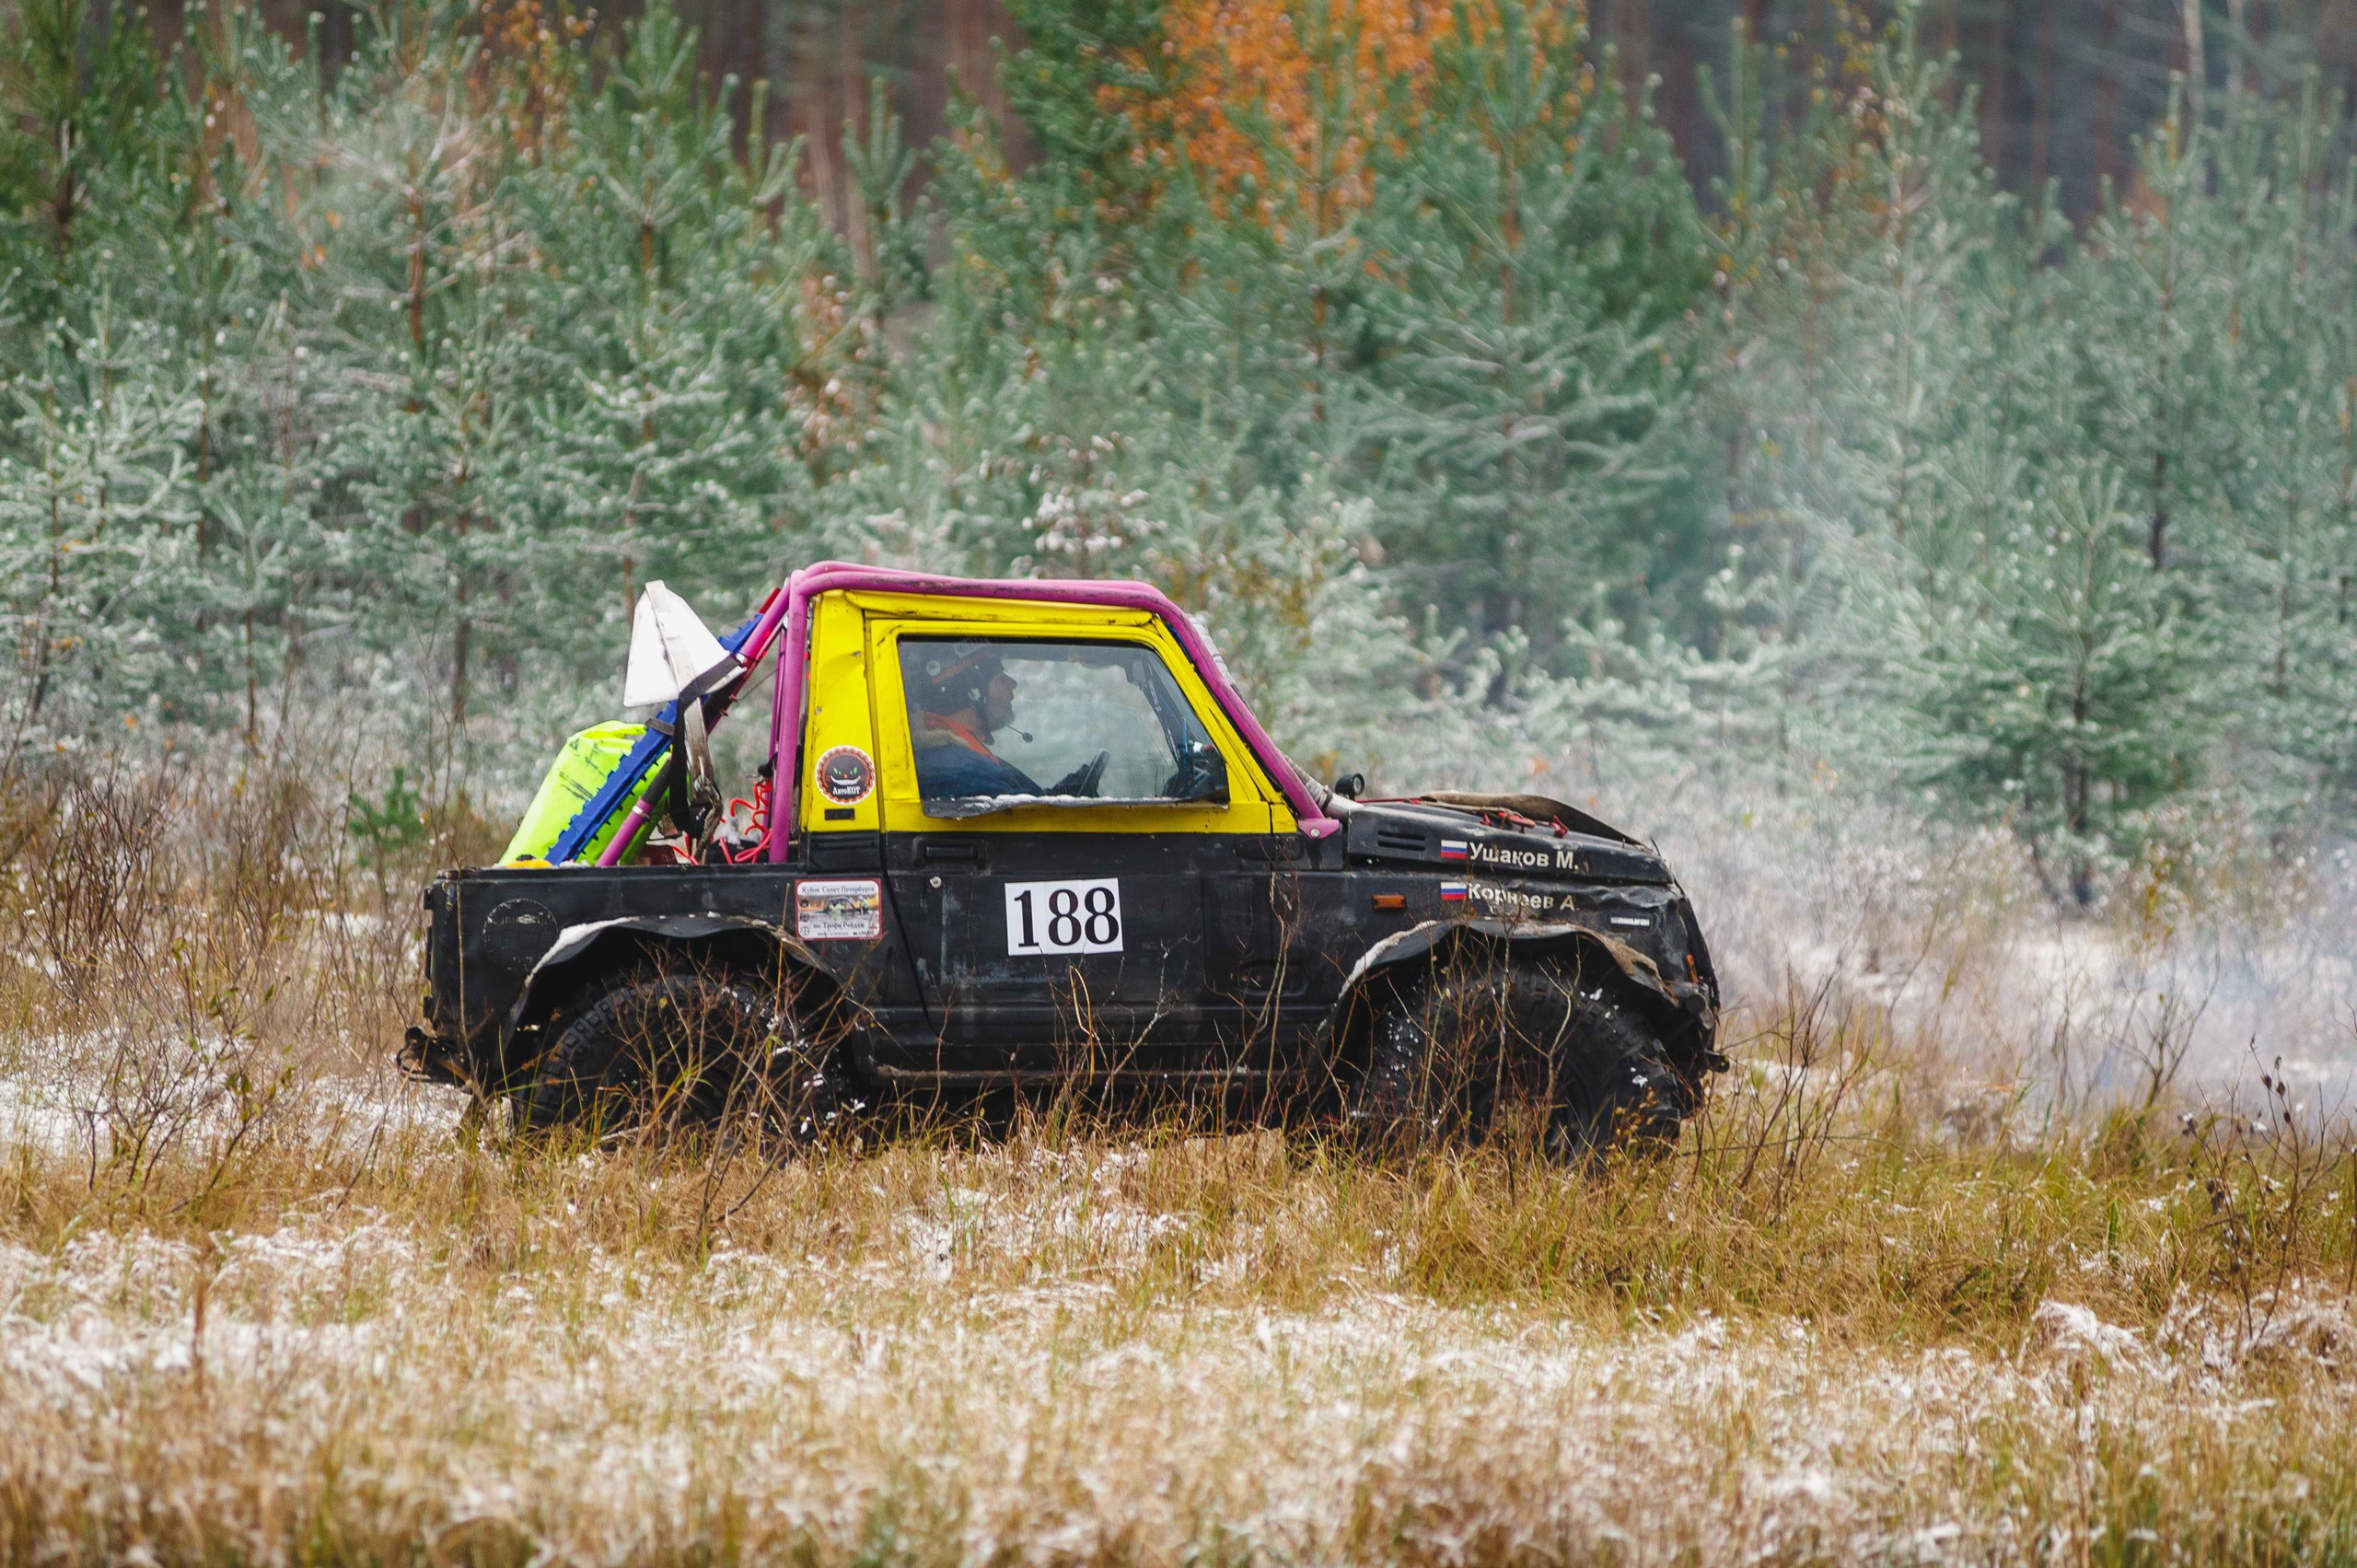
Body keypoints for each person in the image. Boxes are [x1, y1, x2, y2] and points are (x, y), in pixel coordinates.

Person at [908, 646, 1046, 799]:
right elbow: (1028, 817)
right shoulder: (958, 767)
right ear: (973, 693)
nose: (1011, 691)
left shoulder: (964, 755)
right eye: (1000, 681)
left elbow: (1043, 802)